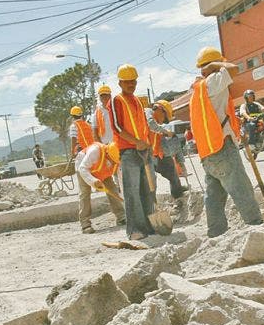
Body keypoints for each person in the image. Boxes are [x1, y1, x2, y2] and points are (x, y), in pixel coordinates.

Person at [189, 47, 264, 237]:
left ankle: (216, 232)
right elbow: (233, 69)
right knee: (241, 188)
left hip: (208, 152)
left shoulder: (197, 91)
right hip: (222, 147)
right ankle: (256, 226)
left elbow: (219, 116)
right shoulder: (213, 81)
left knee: (214, 195)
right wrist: (217, 63)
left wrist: (237, 133)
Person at [110, 63, 157, 240]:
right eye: (128, 81)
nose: (132, 84)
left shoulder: (137, 100)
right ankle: (135, 230)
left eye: (134, 81)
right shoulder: (117, 100)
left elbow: (143, 125)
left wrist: (146, 142)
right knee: (132, 192)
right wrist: (135, 142)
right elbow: (116, 126)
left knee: (148, 190)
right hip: (129, 153)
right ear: (120, 83)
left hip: (143, 150)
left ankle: (150, 225)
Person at [75, 141, 125, 234]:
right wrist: (93, 181)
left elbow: (120, 178)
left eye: (114, 162)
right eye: (111, 160)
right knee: (85, 194)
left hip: (102, 172)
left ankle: (121, 217)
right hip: (83, 168)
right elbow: (82, 168)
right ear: (107, 154)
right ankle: (85, 224)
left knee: (112, 189)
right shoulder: (95, 151)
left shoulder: (117, 158)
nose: (112, 163)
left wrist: (123, 196)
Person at [147, 100, 187, 200]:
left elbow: (160, 138)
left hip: (156, 153)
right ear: (160, 110)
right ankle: (152, 206)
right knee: (150, 182)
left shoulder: (158, 124)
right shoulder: (147, 112)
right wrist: (166, 132)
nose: (163, 121)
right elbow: (152, 125)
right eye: (165, 118)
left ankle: (177, 195)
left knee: (172, 172)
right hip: (144, 154)